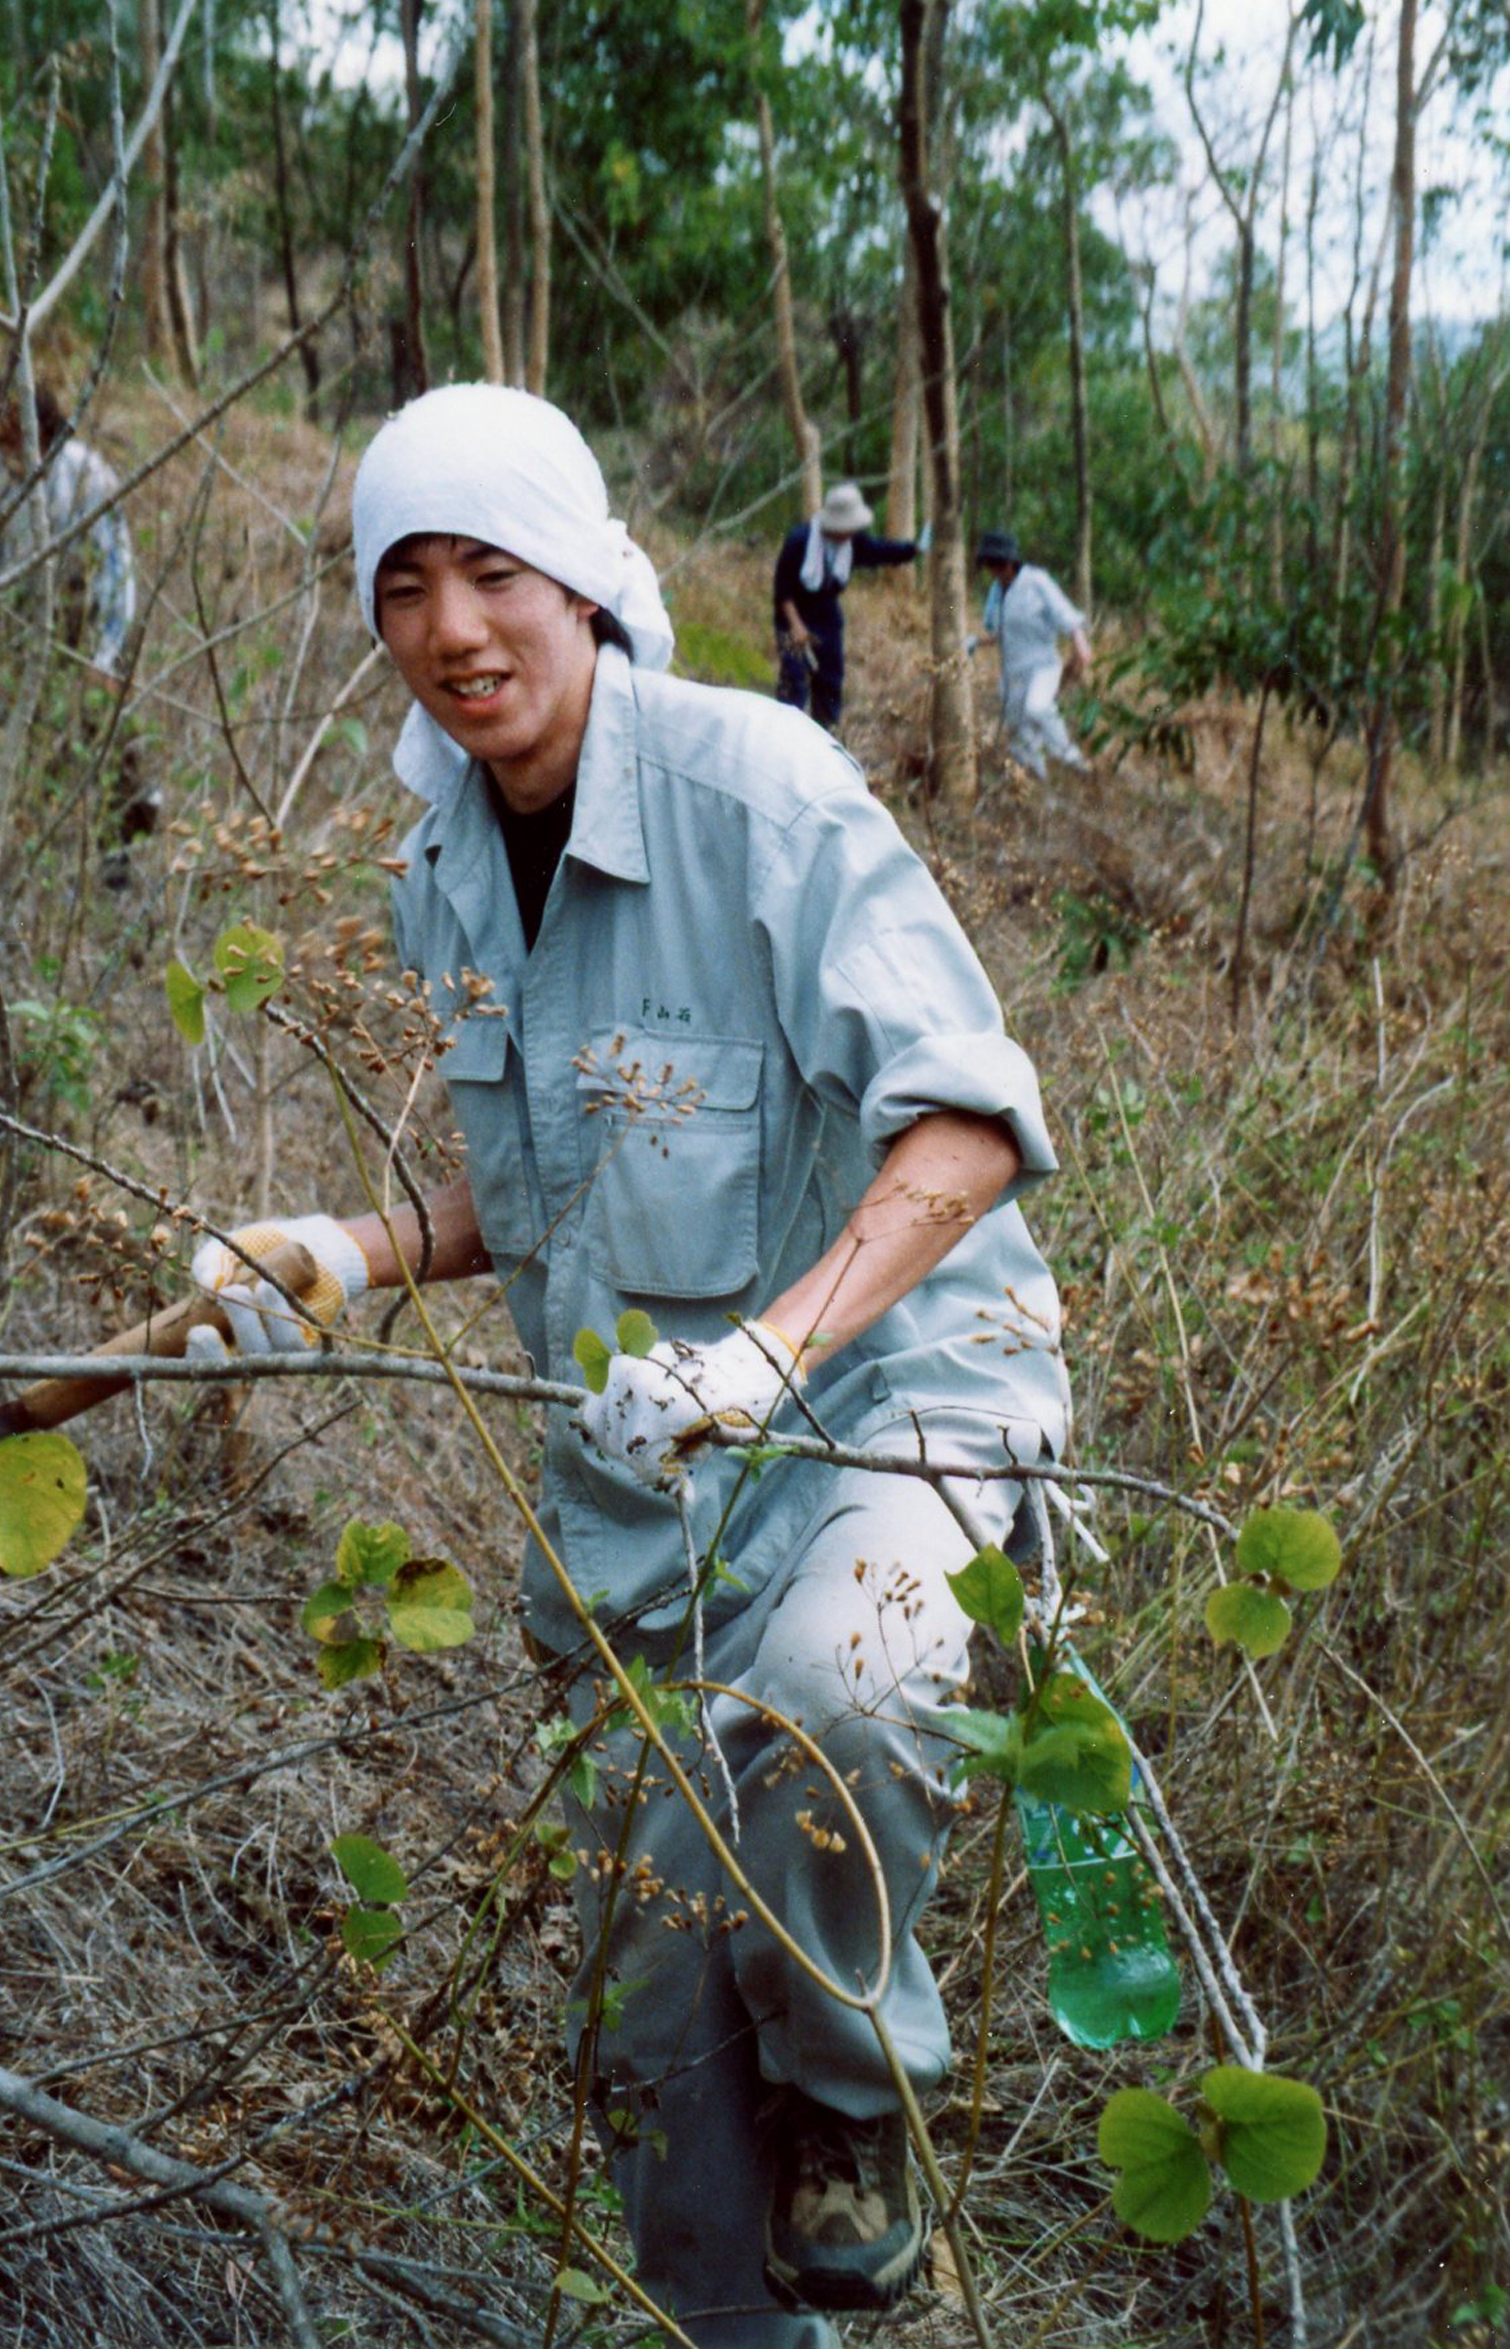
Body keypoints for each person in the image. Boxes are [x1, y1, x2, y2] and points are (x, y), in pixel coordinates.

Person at [189, 385, 1071, 2349]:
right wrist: (351, 1246)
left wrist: (769, 1347)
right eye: (401, 585)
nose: (450, 624)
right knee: (645, 2049)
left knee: (834, 1701)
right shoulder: (439, 863)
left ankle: (855, 2102)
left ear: (585, 577)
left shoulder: (760, 790)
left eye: (489, 568)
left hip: (897, 1396)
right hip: (649, 1503)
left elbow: (965, 1130)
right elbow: (562, 1173)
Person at [0, 382, 138, 685]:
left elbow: (116, 569)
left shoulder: (88, 475)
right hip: (18, 619)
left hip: (81, 617)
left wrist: (104, 657)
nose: (14, 453)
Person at [772, 482, 928, 730]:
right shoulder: (799, 540)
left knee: (830, 677)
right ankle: (785, 733)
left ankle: (826, 732)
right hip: (793, 616)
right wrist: (797, 627)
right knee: (795, 680)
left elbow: (880, 551)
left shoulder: (852, 543)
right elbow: (783, 592)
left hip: (826, 614)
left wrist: (914, 550)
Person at [968, 529, 1092, 778]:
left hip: (1043, 665)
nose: (994, 570)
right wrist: (976, 642)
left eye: (997, 564)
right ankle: (1036, 781)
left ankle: (1071, 757)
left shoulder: (1036, 581)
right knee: (1018, 731)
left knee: (1037, 708)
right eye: (990, 565)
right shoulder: (997, 592)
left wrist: (1080, 643)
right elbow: (1001, 631)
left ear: (1010, 562)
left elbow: (1064, 613)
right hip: (1012, 671)